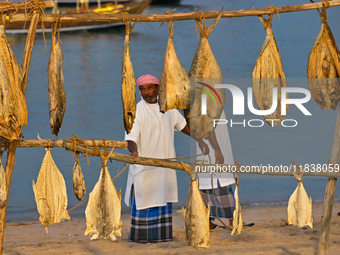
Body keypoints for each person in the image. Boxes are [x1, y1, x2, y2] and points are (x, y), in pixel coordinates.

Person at [124, 74, 209, 243]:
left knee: (163, 195)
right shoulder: (135, 111)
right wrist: (134, 153)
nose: (146, 92)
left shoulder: (169, 108)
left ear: (158, 88)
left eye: (150, 88)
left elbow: (183, 126)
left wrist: (199, 140)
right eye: (142, 89)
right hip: (144, 166)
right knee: (144, 197)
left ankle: (162, 236)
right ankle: (140, 238)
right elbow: (130, 138)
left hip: (166, 164)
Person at [197, 110, 236, 230]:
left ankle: (208, 222)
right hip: (212, 152)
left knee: (208, 187)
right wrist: (218, 150)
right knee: (222, 186)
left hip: (210, 152)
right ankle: (232, 222)